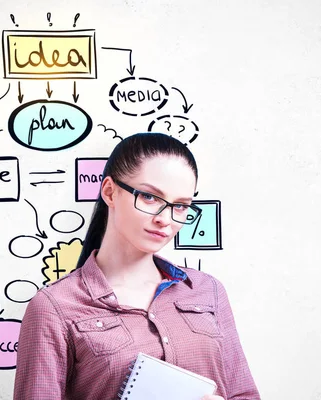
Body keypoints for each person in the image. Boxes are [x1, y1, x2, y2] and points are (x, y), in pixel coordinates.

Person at [14, 132, 261, 399]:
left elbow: (244, 394)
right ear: (110, 191)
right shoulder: (55, 307)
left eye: (180, 206)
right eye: (150, 198)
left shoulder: (207, 290)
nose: (165, 219)